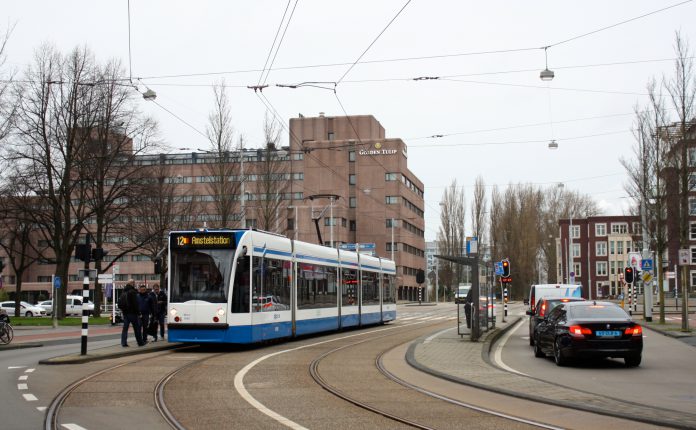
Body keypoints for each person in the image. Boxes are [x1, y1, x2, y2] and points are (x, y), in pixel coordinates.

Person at [120, 281, 145, 347]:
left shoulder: (123, 291)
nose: (134, 284)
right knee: (137, 328)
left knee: (125, 328)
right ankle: (140, 342)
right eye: (134, 283)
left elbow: (120, 303)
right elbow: (135, 303)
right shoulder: (133, 292)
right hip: (133, 313)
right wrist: (138, 312)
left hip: (125, 313)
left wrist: (123, 310)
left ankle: (123, 342)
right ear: (132, 283)